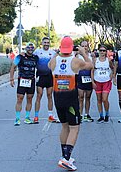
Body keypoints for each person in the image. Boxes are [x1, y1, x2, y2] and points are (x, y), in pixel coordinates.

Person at [48, 36, 93, 170]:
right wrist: (83, 52)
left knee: (64, 126)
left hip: (58, 97)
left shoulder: (54, 61)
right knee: (74, 127)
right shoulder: (75, 61)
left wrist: (57, 53)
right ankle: (66, 159)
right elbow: (90, 65)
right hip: (70, 98)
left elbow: (49, 65)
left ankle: (64, 156)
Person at [9, 43, 39, 126]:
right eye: (28, 48)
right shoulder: (20, 57)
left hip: (31, 80)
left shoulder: (35, 58)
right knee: (20, 98)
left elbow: (39, 67)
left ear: (34, 49)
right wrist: (11, 79)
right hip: (22, 80)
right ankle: (17, 118)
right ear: (26, 49)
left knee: (29, 99)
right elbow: (13, 67)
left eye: (32, 48)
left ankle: (27, 117)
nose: (30, 49)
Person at [33, 37, 57, 123]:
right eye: (45, 42)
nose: (46, 44)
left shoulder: (53, 53)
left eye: (48, 42)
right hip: (40, 76)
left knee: (50, 96)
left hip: (49, 76)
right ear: (42, 43)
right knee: (39, 96)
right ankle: (36, 117)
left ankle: (50, 116)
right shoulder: (37, 52)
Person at [91, 45, 114, 123]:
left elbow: (113, 68)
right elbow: (92, 71)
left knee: (104, 99)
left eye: (104, 51)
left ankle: (107, 114)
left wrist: (112, 76)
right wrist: (92, 81)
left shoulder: (108, 60)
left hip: (106, 81)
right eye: (101, 50)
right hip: (97, 81)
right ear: (98, 51)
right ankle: (101, 116)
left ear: (106, 52)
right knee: (99, 99)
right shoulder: (95, 60)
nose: (102, 52)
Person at [76, 41, 94, 122]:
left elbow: (92, 69)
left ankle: (87, 114)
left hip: (89, 79)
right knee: (80, 97)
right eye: (82, 46)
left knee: (88, 97)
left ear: (88, 47)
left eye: (86, 46)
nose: (84, 48)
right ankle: (80, 114)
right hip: (80, 78)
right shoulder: (77, 56)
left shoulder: (91, 56)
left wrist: (93, 81)